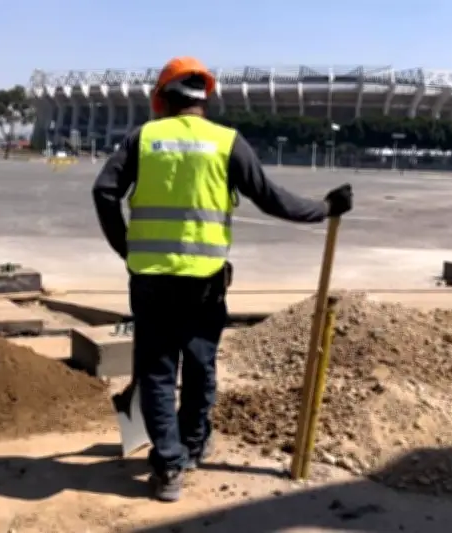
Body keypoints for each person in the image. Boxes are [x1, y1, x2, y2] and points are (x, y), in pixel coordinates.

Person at [92, 56, 353, 502]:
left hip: (151, 279)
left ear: (162, 98)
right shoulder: (227, 143)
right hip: (205, 283)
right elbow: (274, 200)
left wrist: (127, 248)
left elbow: (104, 190)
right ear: (205, 100)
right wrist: (325, 208)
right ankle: (192, 447)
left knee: (156, 374)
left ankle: (170, 466)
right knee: (199, 368)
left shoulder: (143, 138)